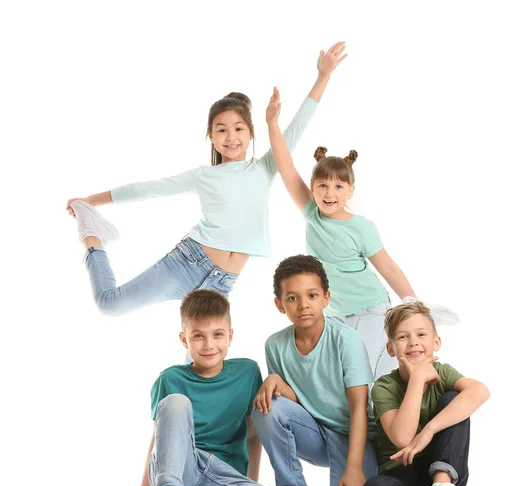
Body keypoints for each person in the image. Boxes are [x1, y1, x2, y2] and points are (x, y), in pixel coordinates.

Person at [65, 42, 347, 316]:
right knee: (110, 304)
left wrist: (323, 76)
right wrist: (91, 201)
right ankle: (90, 231)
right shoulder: (203, 176)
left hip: (222, 283)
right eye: (221, 130)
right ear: (211, 137)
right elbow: (149, 189)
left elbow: (299, 125)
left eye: (238, 128)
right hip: (186, 262)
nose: (231, 137)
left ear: (251, 133)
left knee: (202, 362)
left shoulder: (266, 167)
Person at [264, 88, 458, 379]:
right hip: (336, 314)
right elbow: (286, 167)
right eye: (322, 186)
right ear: (313, 188)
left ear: (350, 191)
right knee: (348, 374)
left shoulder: (360, 227)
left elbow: (388, 268)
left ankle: (405, 401)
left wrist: (415, 306)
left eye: (338, 187)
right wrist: (272, 125)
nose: (329, 193)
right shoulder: (310, 213)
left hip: (371, 308)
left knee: (365, 372)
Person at [102, 289, 273, 486]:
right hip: (182, 468)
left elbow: (253, 435)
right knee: (176, 403)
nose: (209, 345)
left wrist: (250, 484)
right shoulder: (170, 378)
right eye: (198, 336)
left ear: (230, 336)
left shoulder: (247, 372)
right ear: (185, 340)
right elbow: (160, 439)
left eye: (217, 335)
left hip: (223, 479)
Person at [361, 300, 525, 486]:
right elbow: (403, 438)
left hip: (446, 471)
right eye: (403, 337)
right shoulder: (384, 386)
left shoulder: (443, 373)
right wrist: (417, 379)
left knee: (454, 398)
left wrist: (429, 430)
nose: (413, 341)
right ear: (391, 348)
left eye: (421, 334)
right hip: (402, 476)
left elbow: (480, 391)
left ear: (436, 342)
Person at [251, 255, 377, 486]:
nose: (303, 305)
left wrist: (354, 468)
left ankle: (366, 469)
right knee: (266, 406)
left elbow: (359, 408)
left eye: (312, 295)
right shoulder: (275, 345)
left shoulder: (346, 339)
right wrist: (275, 382)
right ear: (279, 304)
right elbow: (293, 404)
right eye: (293, 298)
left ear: (326, 298)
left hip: (352, 434)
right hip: (314, 433)